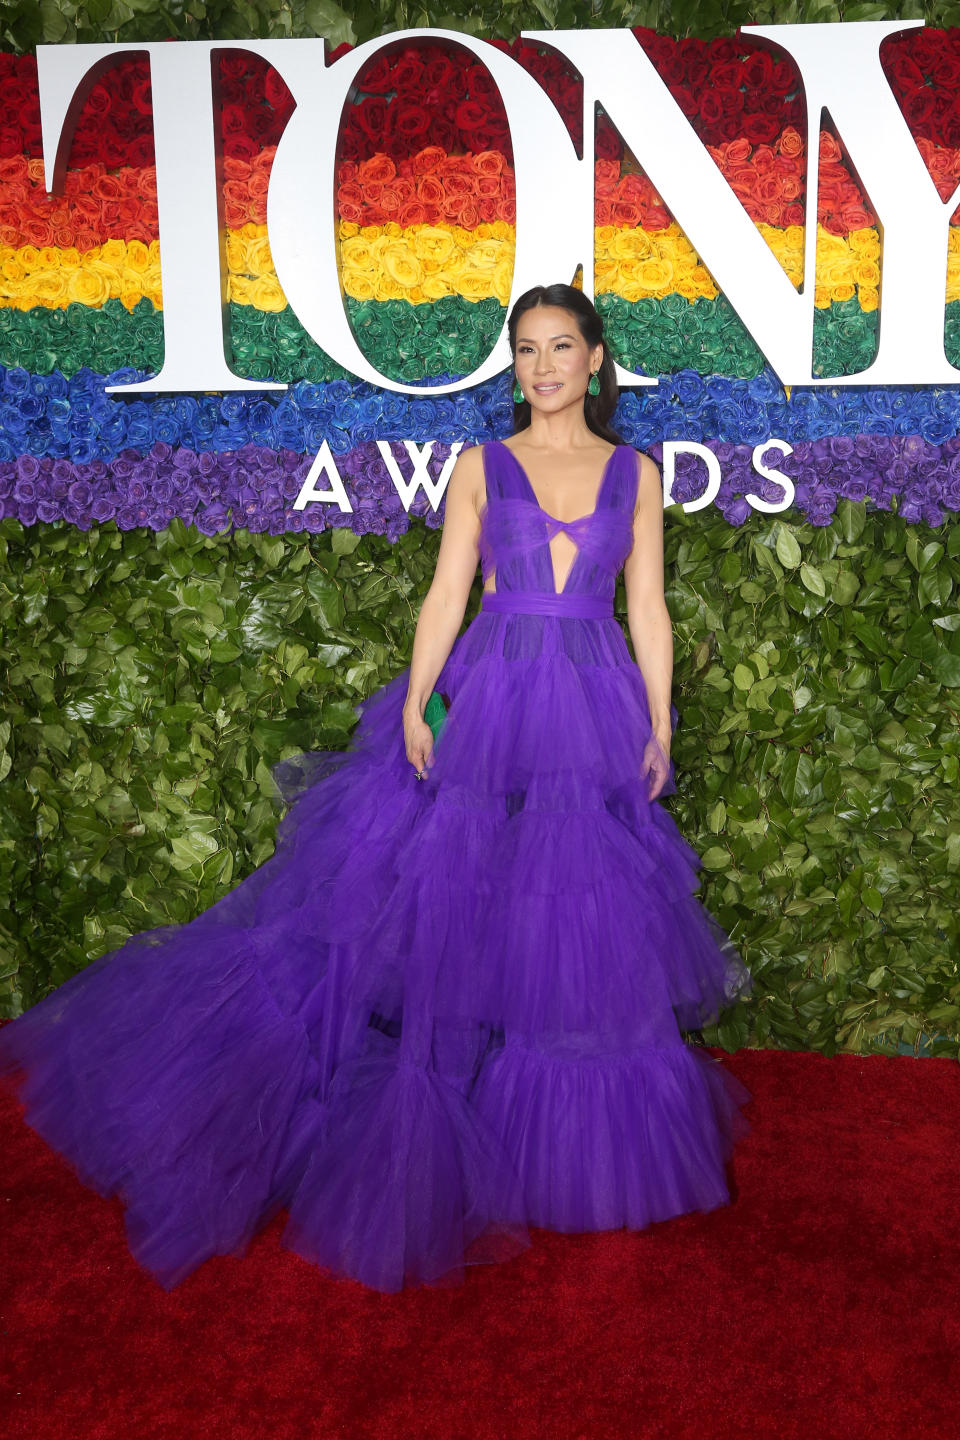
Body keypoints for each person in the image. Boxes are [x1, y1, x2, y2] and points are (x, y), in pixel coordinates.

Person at [0, 283, 752, 1295]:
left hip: (594, 703)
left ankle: (556, 1151)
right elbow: (450, 588)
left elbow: (648, 607)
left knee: (570, 909)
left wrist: (660, 723)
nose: (541, 367)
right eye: (526, 349)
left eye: (560, 346)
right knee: (463, 897)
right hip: (488, 696)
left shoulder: (637, 475)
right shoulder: (482, 468)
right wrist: (418, 702)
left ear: (597, 359)